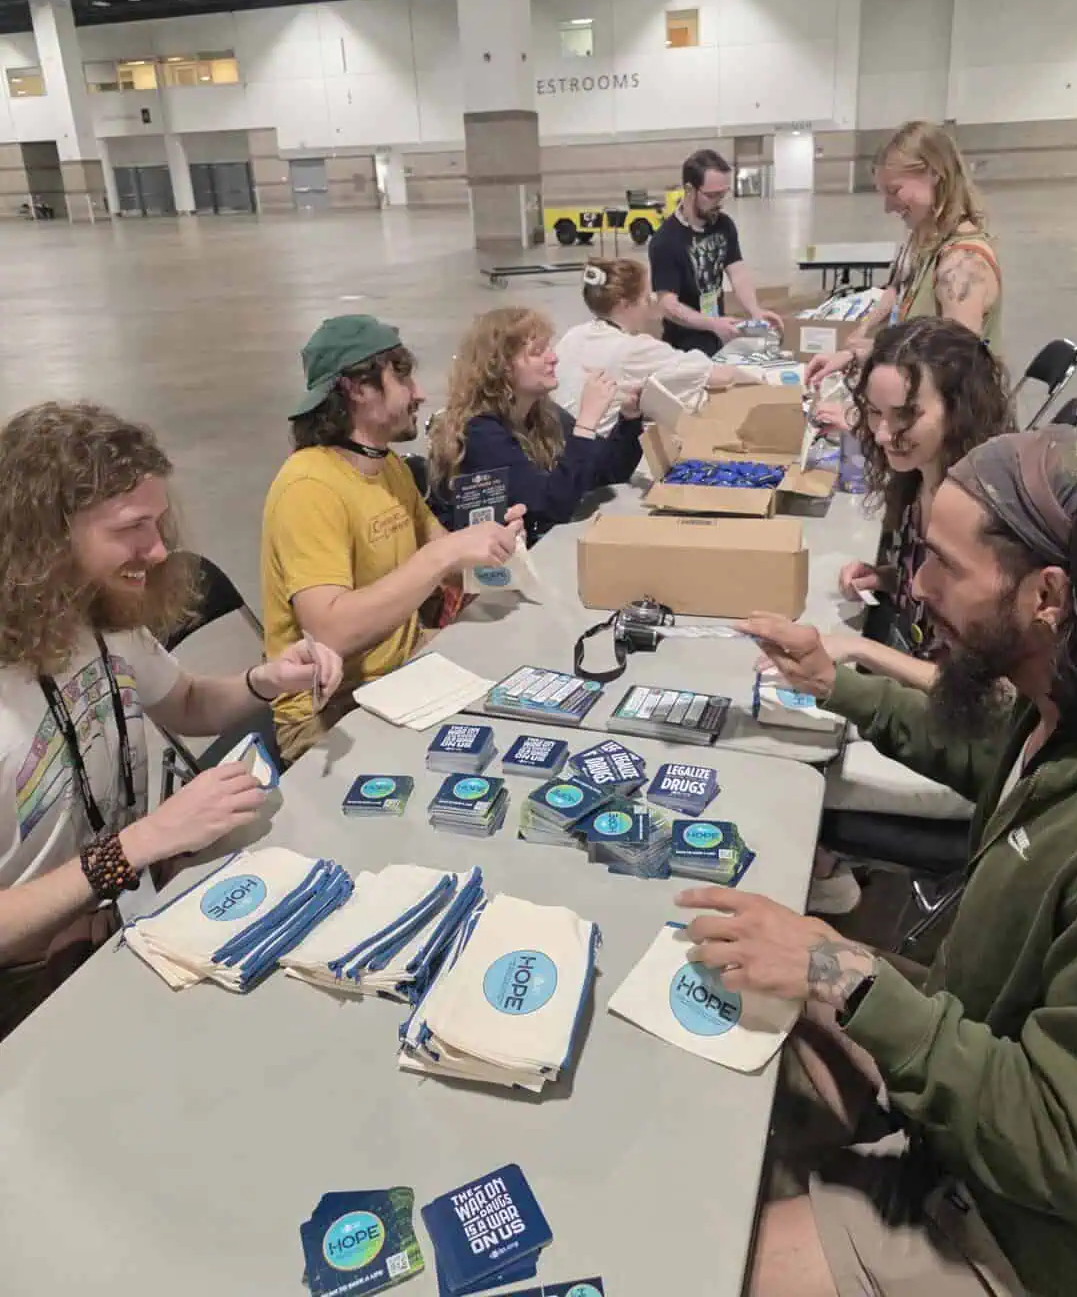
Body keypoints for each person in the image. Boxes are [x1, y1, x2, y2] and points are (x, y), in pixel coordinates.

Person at [682, 428, 1077, 1296]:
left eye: (944, 565)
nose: (917, 587)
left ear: (1047, 594)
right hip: (974, 1074)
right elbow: (990, 754)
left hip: (1041, 1238)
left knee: (711, 1270)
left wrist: (849, 976)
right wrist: (835, 683)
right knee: (751, 974)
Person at [0, 401, 343, 1040]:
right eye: (132, 528)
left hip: (107, 926)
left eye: (157, 522)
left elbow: (184, 703)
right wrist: (139, 844)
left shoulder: (98, 613)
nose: (159, 550)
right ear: (45, 538)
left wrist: (264, 681)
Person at [804, 317, 1014, 918]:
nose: (884, 434)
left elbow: (994, 695)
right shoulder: (923, 479)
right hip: (925, 701)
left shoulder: (985, 519)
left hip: (968, 747)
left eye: (906, 417)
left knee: (801, 766)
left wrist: (863, 651)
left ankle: (826, 875)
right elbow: (936, 597)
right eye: (873, 414)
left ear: (959, 409)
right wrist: (890, 577)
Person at [262, 315, 524, 763]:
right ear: (356, 389)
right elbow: (329, 632)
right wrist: (444, 554)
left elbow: (454, 573)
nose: (418, 393)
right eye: (401, 376)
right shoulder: (309, 487)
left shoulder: (389, 468)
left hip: (402, 676)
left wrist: (492, 544)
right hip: (330, 714)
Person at [806, 121, 1003, 395]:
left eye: (895, 191)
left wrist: (872, 362)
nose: (888, 207)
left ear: (934, 174)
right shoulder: (926, 241)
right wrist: (862, 349)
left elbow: (952, 373)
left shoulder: (962, 265)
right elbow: (906, 311)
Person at [428, 306, 643, 544]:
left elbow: (609, 472)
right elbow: (549, 505)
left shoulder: (544, 415)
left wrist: (629, 419)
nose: (553, 358)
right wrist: (586, 423)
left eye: (549, 348)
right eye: (538, 352)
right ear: (501, 366)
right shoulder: (479, 432)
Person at [554, 257, 766, 433]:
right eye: (646, 299)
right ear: (625, 305)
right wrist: (766, 380)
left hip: (565, 444)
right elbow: (713, 375)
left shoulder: (573, 335)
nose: (650, 305)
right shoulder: (634, 349)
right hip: (598, 454)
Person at [649, 147, 783, 357]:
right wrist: (712, 323)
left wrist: (755, 311)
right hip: (685, 348)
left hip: (717, 336)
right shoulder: (665, 241)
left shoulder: (723, 225)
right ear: (690, 190)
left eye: (723, 194)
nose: (719, 202)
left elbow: (737, 271)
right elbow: (668, 305)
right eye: (712, 195)